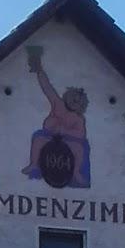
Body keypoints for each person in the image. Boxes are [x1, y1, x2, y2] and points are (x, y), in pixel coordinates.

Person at [22, 46, 91, 188]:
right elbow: (47, 88)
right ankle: (34, 164)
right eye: (73, 98)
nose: (75, 101)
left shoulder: (79, 119)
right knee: (38, 138)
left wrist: (64, 131)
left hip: (68, 142)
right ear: (67, 96)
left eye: (78, 101)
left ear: (82, 106)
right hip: (49, 137)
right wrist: (39, 71)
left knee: (79, 149)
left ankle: (76, 172)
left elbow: (81, 134)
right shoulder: (58, 104)